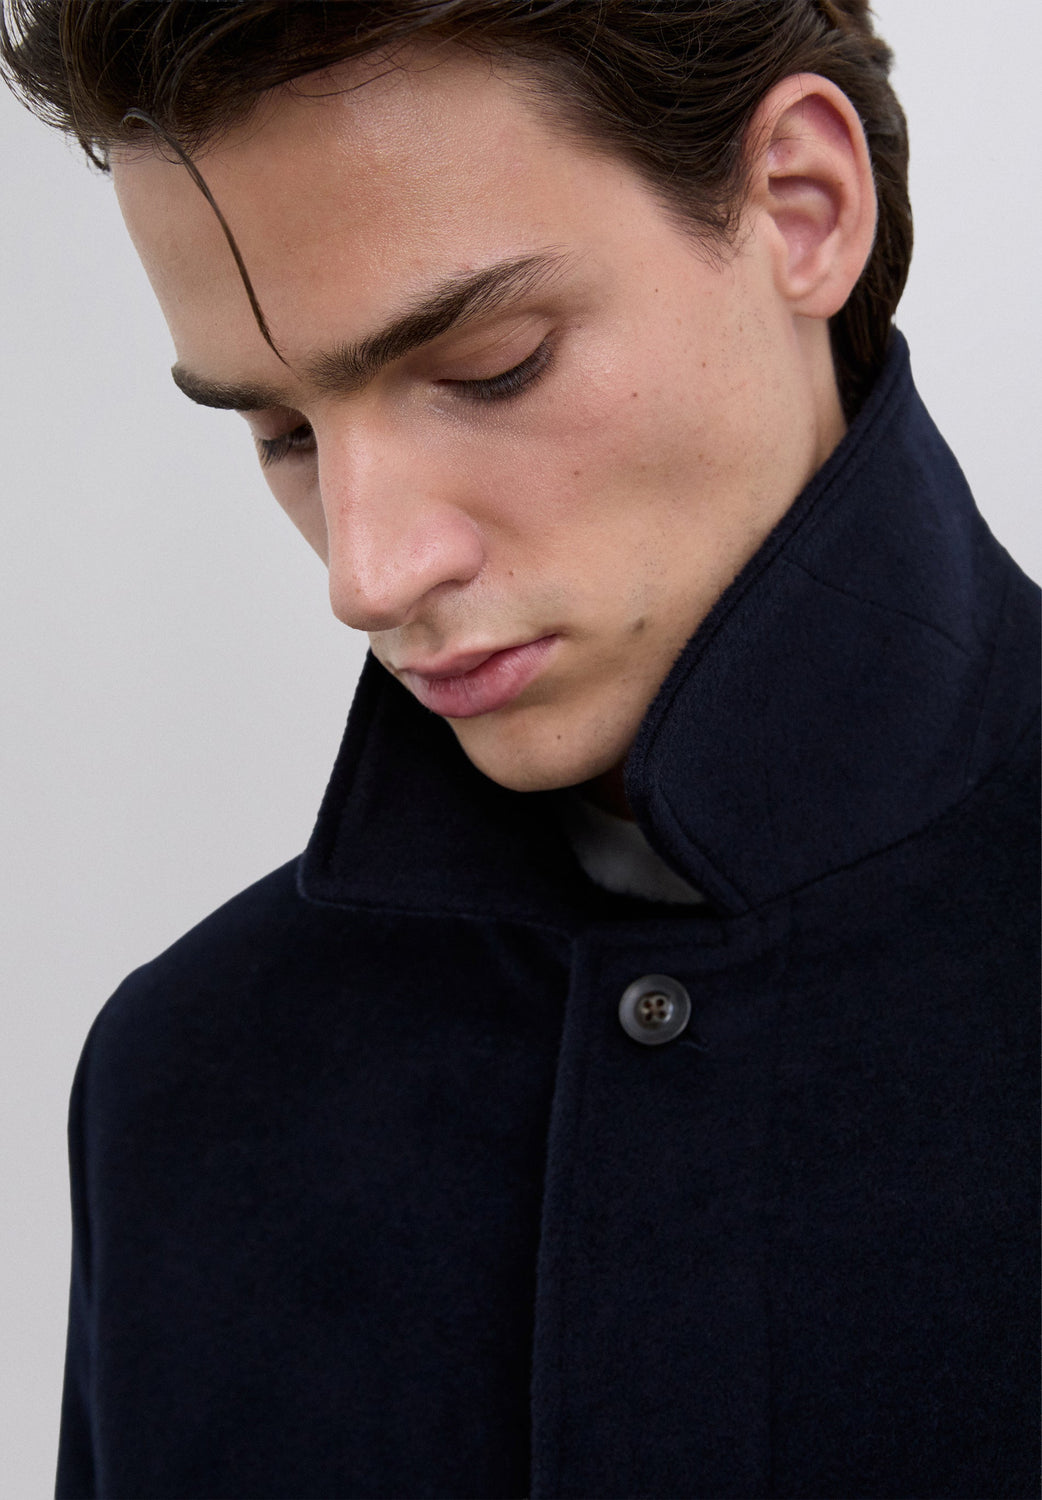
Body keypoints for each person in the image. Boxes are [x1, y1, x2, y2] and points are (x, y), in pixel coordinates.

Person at [2, 2, 1037, 1497]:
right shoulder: (187, 1088)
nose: (366, 572)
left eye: (491, 366)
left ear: (802, 206)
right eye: (282, 433)